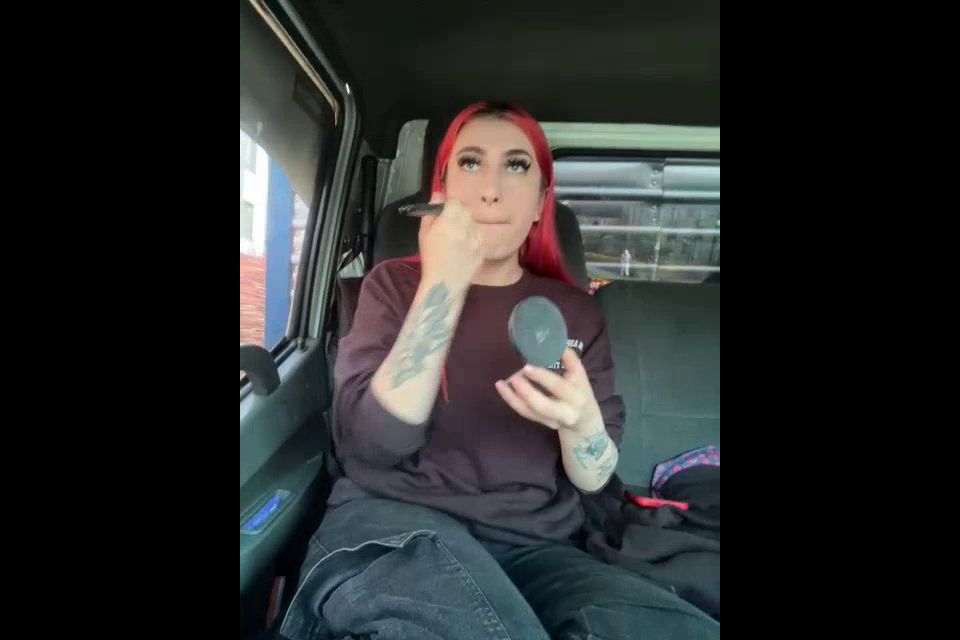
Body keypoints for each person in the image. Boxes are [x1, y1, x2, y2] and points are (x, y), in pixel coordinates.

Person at [280, 101, 719, 640]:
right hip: (396, 522)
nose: (490, 189)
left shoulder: (574, 312)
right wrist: (444, 281)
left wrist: (582, 426)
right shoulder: (392, 287)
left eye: (516, 165)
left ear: (540, 201)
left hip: (539, 547)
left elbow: (595, 476)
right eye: (470, 163)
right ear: (442, 190)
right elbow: (373, 445)